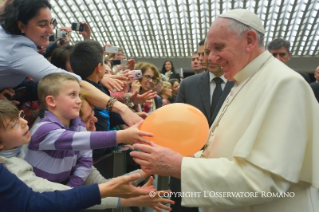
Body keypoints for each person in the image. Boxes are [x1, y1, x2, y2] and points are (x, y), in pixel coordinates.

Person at [131, 9, 319, 212]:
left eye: (218, 48)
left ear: (249, 40)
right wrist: (180, 156)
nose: (211, 58)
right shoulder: (243, 79)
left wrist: (181, 166)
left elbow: (265, 180)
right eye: (208, 51)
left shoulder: (285, 83)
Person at [0, 99, 172, 211]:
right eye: (88, 118)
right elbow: (65, 197)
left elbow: (103, 186)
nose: (96, 120)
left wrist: (147, 171)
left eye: (21, 117)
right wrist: (129, 200)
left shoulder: (78, 156)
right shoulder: (11, 167)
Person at [0, 0, 141, 127]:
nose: (50, 30)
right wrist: (122, 109)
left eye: (51, 22)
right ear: (21, 25)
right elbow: (71, 82)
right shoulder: (18, 51)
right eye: (42, 24)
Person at [24, 73, 152, 187]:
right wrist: (123, 136)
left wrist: (70, 189)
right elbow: (81, 140)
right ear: (51, 101)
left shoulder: (78, 125)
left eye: (78, 95)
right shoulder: (43, 129)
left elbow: (85, 161)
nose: (79, 101)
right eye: (72, 95)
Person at [170, 39, 234, 212]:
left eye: (215, 51)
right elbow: (176, 124)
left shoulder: (240, 84)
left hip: (224, 167)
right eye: (205, 53)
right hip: (188, 167)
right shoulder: (188, 84)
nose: (210, 58)